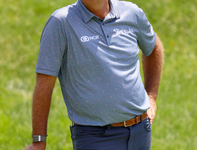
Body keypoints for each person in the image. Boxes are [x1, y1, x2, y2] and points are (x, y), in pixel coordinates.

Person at [24, 0, 164, 149]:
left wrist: (151, 96)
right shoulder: (61, 22)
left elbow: (154, 48)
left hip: (140, 132)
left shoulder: (132, 13)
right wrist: (38, 142)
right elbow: (44, 83)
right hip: (95, 137)